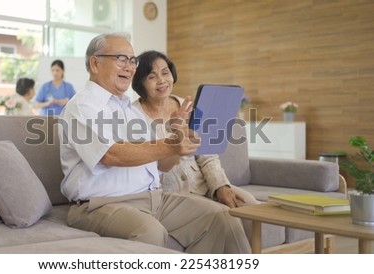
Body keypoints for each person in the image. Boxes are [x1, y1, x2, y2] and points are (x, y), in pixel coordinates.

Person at [58, 32, 250, 254]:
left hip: (153, 198)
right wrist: (170, 144)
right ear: (95, 63)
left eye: (132, 60)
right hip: (100, 205)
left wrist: (177, 136)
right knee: (150, 231)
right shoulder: (82, 106)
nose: (129, 67)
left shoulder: (128, 109)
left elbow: (163, 165)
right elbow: (112, 155)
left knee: (221, 218)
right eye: (121, 58)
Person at [132, 50, 259, 209]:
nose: (162, 80)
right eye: (152, 76)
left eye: (165, 73)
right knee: (221, 214)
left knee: (251, 205)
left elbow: (206, 154)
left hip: (203, 187)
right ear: (140, 83)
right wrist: (177, 136)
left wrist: (220, 186)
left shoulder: (186, 105)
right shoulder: (133, 115)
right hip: (168, 195)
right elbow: (150, 165)